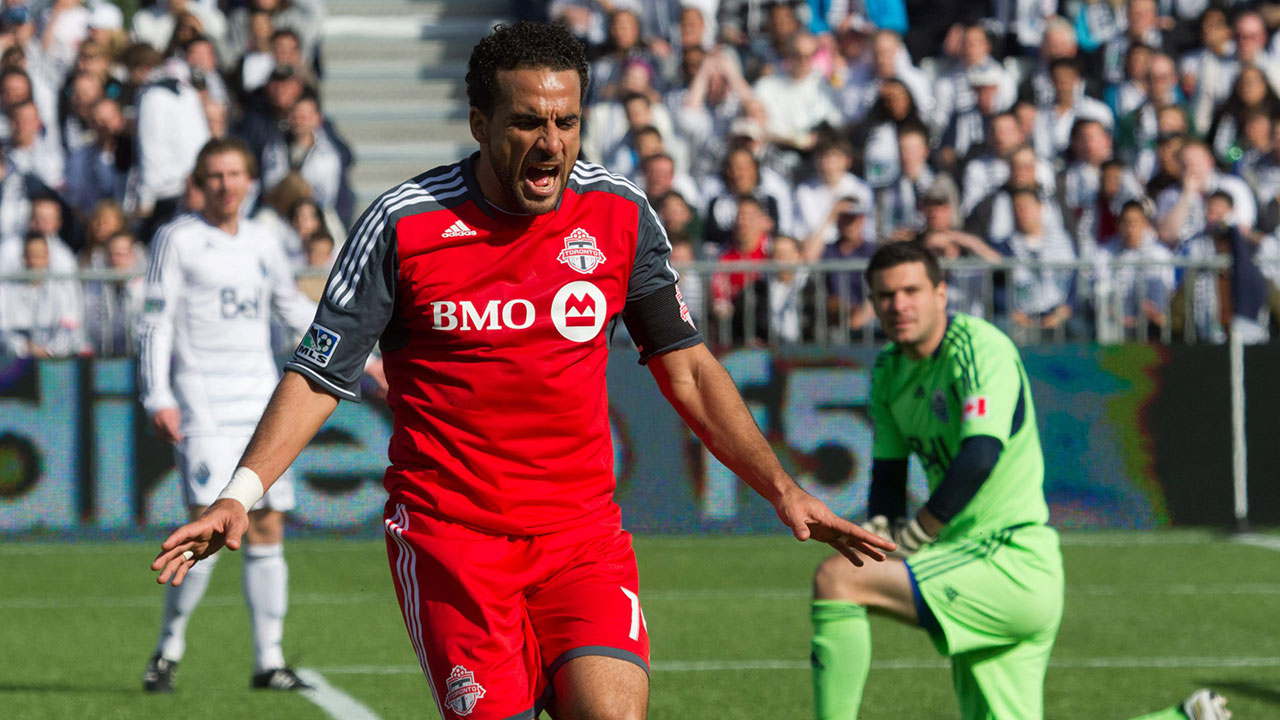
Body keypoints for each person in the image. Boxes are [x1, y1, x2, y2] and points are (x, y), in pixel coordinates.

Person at [150, 21, 892, 720]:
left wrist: (783, 488)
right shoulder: (403, 224)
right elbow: (318, 375)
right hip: (453, 542)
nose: (551, 143)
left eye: (567, 123)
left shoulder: (619, 215)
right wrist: (239, 494)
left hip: (582, 538)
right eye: (528, 123)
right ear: (480, 124)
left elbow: (689, 369)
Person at [808, 240, 1230, 720]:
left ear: (941, 294)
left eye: (912, 291)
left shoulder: (978, 347)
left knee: (838, 578)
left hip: (1007, 561)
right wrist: (882, 528)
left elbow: (981, 453)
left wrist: (919, 531)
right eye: (886, 296)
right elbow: (888, 470)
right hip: (969, 559)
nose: (899, 305)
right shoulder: (888, 370)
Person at [137, 137, 327, 694]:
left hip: (260, 401)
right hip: (202, 400)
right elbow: (156, 321)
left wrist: (361, 356)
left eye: (235, 173)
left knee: (267, 525)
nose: (225, 184)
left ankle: (269, 660)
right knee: (204, 523)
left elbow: (290, 306)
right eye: (215, 175)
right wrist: (157, 394)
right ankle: (169, 648)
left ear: (249, 180)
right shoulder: (177, 239)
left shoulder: (264, 240)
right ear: (200, 182)